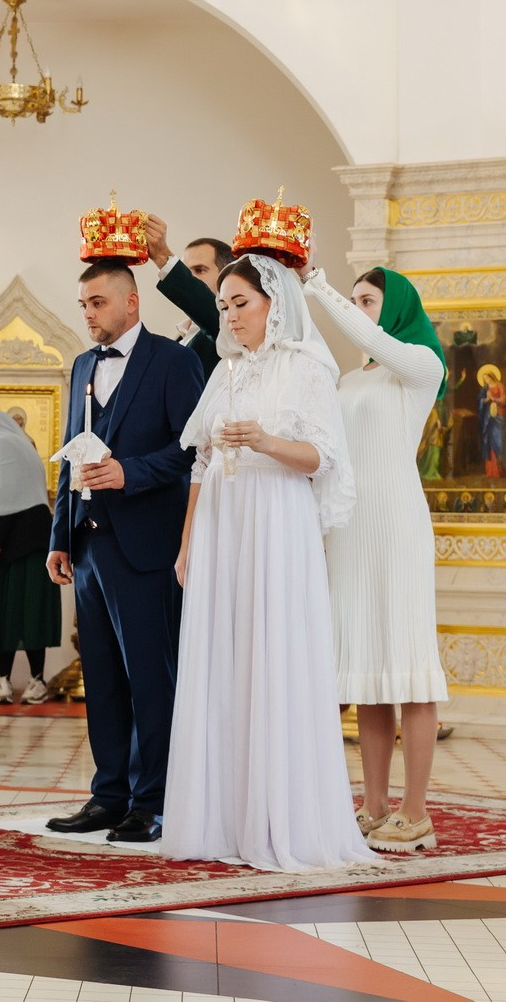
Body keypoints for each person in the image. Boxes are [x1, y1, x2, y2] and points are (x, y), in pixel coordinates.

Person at [157, 254, 374, 873]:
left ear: (273, 303)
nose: (230, 317)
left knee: (271, 655)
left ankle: (281, 819)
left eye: (240, 304)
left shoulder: (305, 367)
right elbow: (199, 460)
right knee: (223, 658)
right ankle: (221, 818)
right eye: (222, 307)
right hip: (225, 519)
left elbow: (322, 457)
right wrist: (188, 539)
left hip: (277, 520)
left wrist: (264, 441)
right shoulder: (225, 370)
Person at [43, 259, 205, 844]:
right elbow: (70, 455)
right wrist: (59, 536)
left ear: (132, 302)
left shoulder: (175, 362)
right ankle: (108, 794)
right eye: (82, 303)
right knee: (104, 677)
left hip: (146, 547)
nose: (87, 314)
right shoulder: (83, 365)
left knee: (149, 678)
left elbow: (193, 454)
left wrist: (128, 473)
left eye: (97, 303)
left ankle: (152, 800)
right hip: (87, 547)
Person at [302, 263, 450, 854]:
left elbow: (372, 340)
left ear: (394, 308)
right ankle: (376, 804)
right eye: (355, 299)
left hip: (397, 525)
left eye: (368, 299)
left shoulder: (419, 365)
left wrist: (316, 282)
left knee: (409, 666)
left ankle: (416, 813)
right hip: (352, 528)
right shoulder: (350, 378)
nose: (360, 309)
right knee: (365, 668)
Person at [0, 409, 59, 705]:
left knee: (11, 614)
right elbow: (8, 499)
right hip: (36, 542)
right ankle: (35, 680)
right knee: (31, 614)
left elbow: (3, 502)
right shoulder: (23, 447)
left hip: (15, 546)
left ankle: (5, 681)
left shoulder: (2, 446)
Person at [144, 219, 229, 377]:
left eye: (199, 270)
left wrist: (162, 256)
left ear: (226, 277)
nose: (190, 277)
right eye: (185, 270)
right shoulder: (181, 336)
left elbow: (210, 312)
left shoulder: (228, 327)